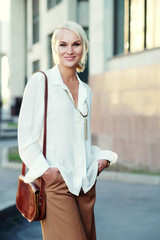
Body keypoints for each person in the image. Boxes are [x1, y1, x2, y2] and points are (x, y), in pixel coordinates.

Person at [18, 21, 118, 240]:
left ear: (84, 48)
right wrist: (47, 173)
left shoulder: (86, 91)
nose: (70, 51)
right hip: (56, 184)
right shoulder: (40, 82)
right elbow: (26, 138)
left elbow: (79, 141)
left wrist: (101, 159)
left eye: (76, 44)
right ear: (55, 48)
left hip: (85, 184)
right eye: (63, 44)